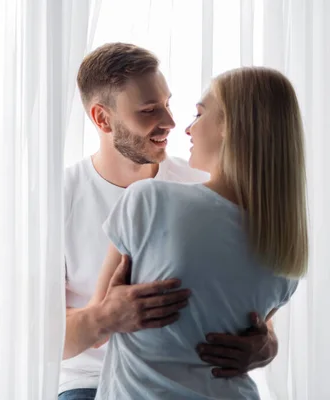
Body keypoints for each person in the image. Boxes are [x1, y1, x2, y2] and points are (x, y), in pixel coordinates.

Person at [60, 43, 280, 400]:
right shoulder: (60, 200)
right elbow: (39, 338)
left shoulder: (201, 183)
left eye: (167, 104)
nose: (171, 123)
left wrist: (265, 343)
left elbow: (248, 301)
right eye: (149, 110)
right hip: (90, 382)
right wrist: (106, 317)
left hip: (190, 373)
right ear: (102, 119)